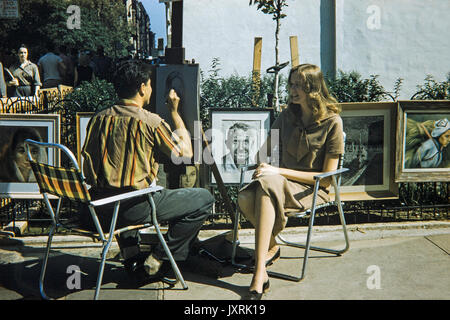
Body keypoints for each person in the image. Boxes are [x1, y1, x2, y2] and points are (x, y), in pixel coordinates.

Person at [81, 60, 214, 284]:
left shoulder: (98, 119)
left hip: (97, 211)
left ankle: (132, 256)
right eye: (150, 85)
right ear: (143, 88)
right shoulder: (150, 122)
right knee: (204, 199)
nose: (151, 89)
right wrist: (174, 113)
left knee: (123, 187)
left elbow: (88, 167)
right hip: (132, 209)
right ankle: (158, 258)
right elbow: (186, 154)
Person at [237, 64, 345, 300]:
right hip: (279, 184)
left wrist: (276, 170)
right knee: (245, 196)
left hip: (312, 189)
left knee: (267, 186)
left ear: (313, 88)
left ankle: (259, 272)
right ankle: (272, 244)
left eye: (299, 85)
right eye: (291, 84)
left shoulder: (332, 122)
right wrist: (264, 162)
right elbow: (263, 155)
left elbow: (325, 180)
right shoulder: (287, 116)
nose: (293, 90)